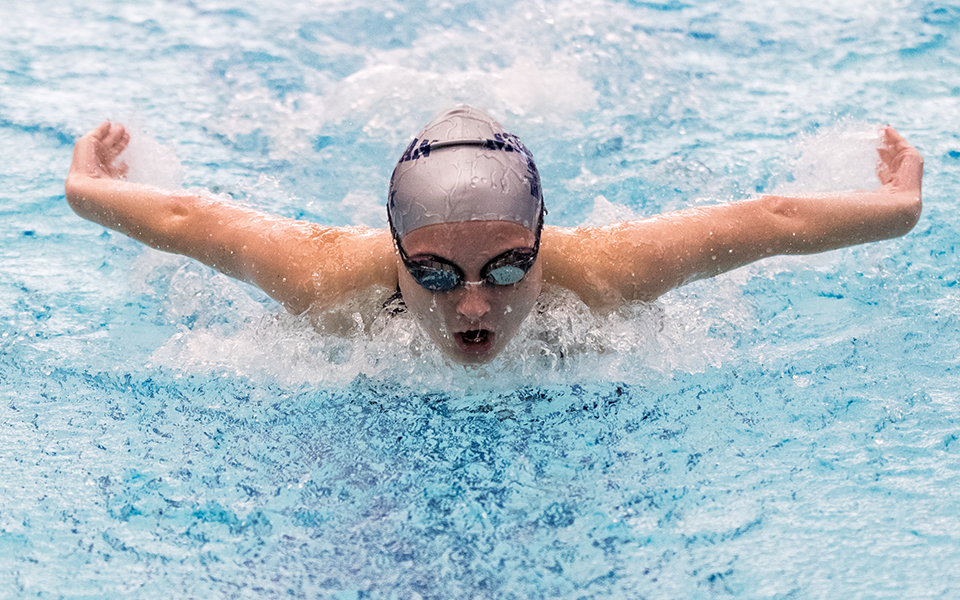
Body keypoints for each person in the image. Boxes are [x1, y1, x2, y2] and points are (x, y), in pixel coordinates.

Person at [65, 106, 923, 365]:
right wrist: (85, 186)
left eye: (511, 267)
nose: (474, 303)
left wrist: (898, 209)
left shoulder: (603, 275)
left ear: (545, 241)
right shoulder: (329, 280)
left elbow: (766, 222)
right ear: (395, 255)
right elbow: (188, 221)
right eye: (436, 276)